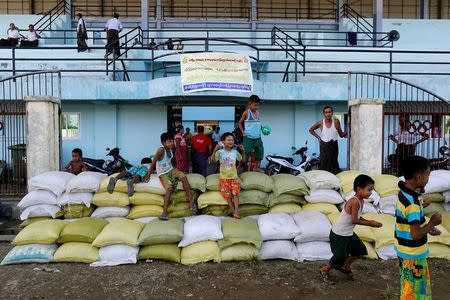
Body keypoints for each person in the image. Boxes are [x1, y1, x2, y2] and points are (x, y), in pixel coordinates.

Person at [320, 174, 383, 285]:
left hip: (348, 233)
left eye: (372, 190)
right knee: (340, 256)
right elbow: (354, 220)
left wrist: (370, 222)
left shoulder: (361, 200)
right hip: (339, 234)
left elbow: (357, 217)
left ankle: (345, 266)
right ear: (359, 189)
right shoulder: (354, 201)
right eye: (369, 190)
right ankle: (324, 270)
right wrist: (370, 223)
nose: (371, 192)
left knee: (360, 250)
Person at [395, 155, 442, 299]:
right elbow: (415, 234)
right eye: (428, 174)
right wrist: (431, 223)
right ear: (419, 177)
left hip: (404, 252)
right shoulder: (413, 204)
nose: (428, 178)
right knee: (417, 291)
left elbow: (409, 220)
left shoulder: (405, 194)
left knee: (409, 285)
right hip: (414, 255)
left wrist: (421, 204)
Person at [143, 132, 196, 220]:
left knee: (183, 176)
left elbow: (169, 162)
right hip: (163, 174)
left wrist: (176, 170)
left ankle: (191, 201)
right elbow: (153, 162)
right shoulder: (161, 150)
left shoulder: (171, 149)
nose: (172, 143)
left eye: (172, 141)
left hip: (171, 170)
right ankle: (164, 213)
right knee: (169, 189)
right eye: (169, 141)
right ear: (163, 143)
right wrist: (149, 174)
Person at [210, 132, 245, 218]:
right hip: (224, 178)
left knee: (235, 194)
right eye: (228, 140)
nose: (231, 141)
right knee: (228, 196)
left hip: (234, 178)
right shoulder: (220, 152)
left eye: (232, 140)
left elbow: (243, 160)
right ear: (223, 141)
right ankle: (234, 212)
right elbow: (212, 161)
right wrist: (215, 150)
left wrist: (243, 151)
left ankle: (236, 211)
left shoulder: (235, 152)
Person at [309, 106, 347, 174]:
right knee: (323, 163)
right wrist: (318, 137)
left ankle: (334, 179)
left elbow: (341, 135)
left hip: (333, 145)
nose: (328, 114)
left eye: (329, 112)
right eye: (326, 112)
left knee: (333, 162)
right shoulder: (321, 123)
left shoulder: (336, 122)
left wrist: (348, 129)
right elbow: (311, 130)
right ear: (323, 113)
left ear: (332, 113)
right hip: (324, 145)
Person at [238, 95, 264, 171]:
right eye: (255, 105)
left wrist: (262, 128)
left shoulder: (258, 113)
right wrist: (243, 132)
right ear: (250, 103)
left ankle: (255, 168)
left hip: (258, 137)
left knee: (260, 154)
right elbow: (239, 123)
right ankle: (238, 168)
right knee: (245, 158)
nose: (257, 107)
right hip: (248, 138)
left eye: (258, 105)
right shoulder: (246, 113)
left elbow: (257, 123)